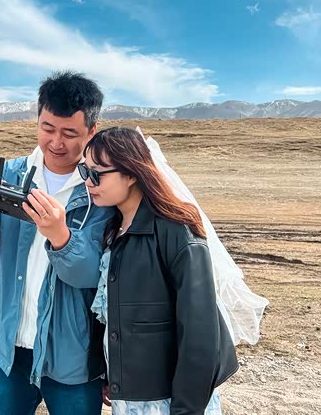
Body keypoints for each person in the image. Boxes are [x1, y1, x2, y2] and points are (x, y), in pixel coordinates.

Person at [0, 71, 114, 415]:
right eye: (47, 129)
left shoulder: (99, 190)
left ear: (91, 131)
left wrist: (59, 235)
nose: (56, 142)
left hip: (71, 357)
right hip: (9, 348)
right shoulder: (12, 173)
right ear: (37, 120)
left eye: (70, 133)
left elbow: (91, 275)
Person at [82, 127, 239, 415]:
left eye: (96, 174)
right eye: (84, 171)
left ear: (131, 173)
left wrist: (186, 409)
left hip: (169, 402)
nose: (87, 182)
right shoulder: (112, 230)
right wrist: (110, 373)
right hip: (129, 398)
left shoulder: (176, 230)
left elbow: (199, 331)